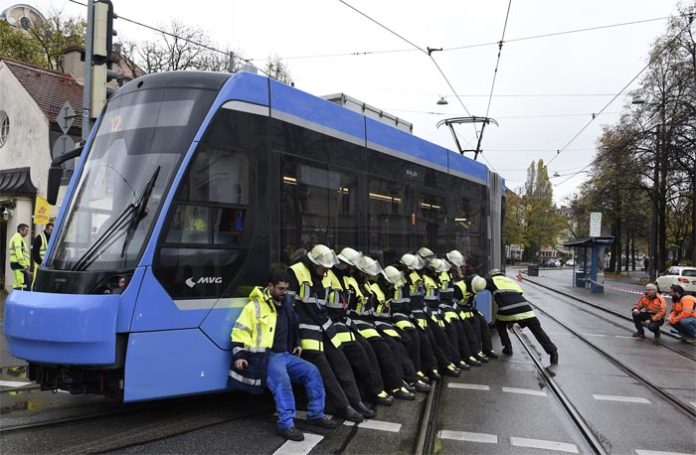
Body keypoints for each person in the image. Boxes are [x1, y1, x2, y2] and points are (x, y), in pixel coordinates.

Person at [231, 270, 337, 441]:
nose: (284, 292)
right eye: (280, 289)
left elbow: (292, 325)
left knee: (312, 372)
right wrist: (240, 356)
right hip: (268, 356)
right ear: (270, 286)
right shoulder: (254, 307)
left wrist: (296, 343)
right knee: (283, 384)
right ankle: (286, 424)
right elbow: (239, 333)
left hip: (285, 355)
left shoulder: (286, 304)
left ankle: (316, 414)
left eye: (286, 289)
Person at [287, 244, 367, 422]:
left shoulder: (319, 275)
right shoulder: (295, 272)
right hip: (305, 329)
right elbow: (289, 308)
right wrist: (296, 339)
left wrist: (330, 328)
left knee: (341, 361)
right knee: (324, 368)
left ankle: (356, 401)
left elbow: (320, 307)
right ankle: (343, 406)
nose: (326, 272)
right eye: (324, 268)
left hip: (322, 326)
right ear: (314, 263)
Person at [474, 270, 558, 365]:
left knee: (499, 323)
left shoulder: (491, 280)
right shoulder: (511, 281)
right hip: (527, 310)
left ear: (491, 275)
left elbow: (478, 284)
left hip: (507, 309)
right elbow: (516, 299)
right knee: (538, 331)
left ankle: (507, 347)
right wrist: (513, 320)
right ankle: (553, 352)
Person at [9, 224, 31, 291]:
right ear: (20, 230)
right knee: (22, 285)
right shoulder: (17, 238)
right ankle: (23, 300)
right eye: (26, 230)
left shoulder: (17, 238)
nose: (27, 232)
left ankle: (15, 299)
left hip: (17, 264)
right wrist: (24, 265)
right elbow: (19, 253)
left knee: (18, 284)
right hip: (19, 265)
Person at [31, 222, 54, 287]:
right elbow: (35, 254)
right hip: (40, 264)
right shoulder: (39, 237)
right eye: (51, 230)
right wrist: (41, 263)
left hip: (49, 265)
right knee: (37, 280)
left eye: (53, 230)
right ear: (46, 229)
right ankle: (34, 292)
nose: (52, 232)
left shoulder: (52, 238)